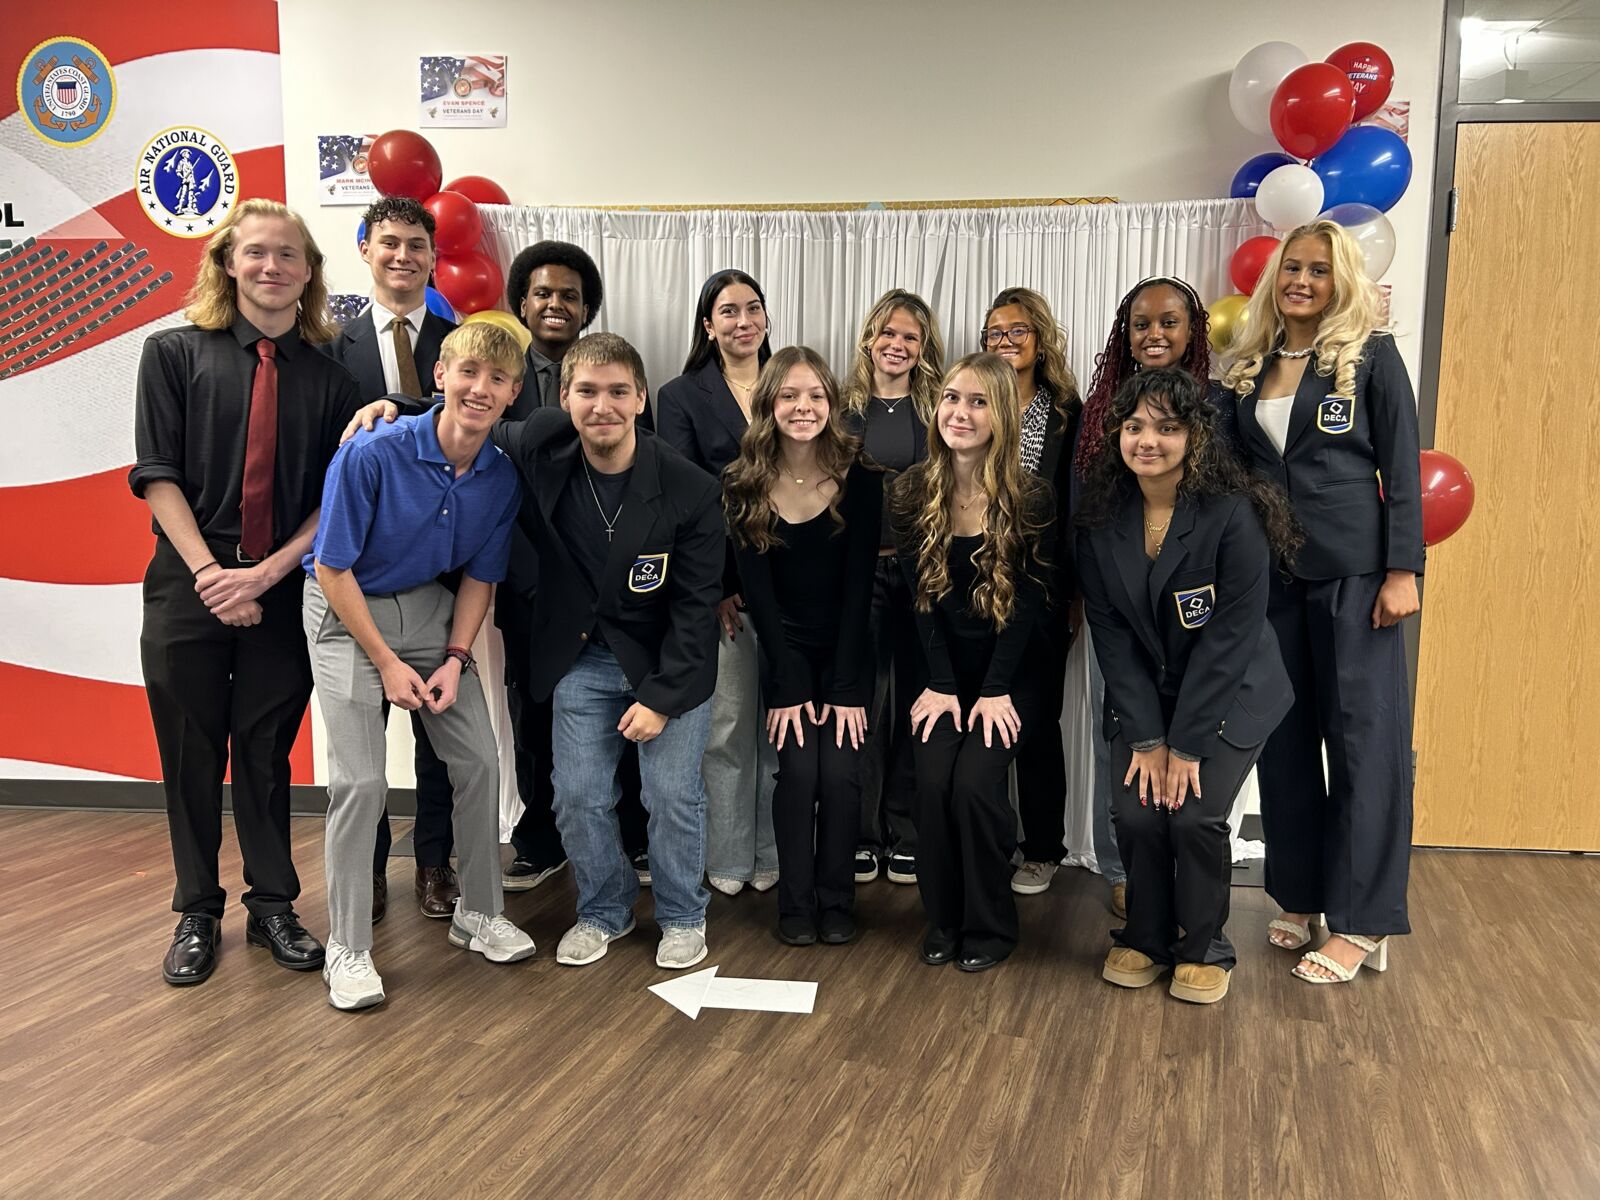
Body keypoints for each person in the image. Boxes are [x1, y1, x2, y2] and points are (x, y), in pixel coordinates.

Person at [131, 199, 360, 987]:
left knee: (265, 754)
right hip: (187, 584)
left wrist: (264, 574)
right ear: (227, 263)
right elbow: (156, 475)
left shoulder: (331, 379)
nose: (272, 266)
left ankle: (273, 907)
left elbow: (333, 499)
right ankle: (197, 911)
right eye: (256, 252)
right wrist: (211, 576)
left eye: (288, 254)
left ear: (309, 271)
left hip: (282, 589)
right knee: (190, 753)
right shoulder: (171, 355)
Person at [307, 321, 534, 1010]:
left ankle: (479, 912)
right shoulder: (371, 451)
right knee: (362, 781)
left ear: (513, 394)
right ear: (440, 376)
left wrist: (457, 658)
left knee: (481, 762)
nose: (481, 388)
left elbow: (480, 579)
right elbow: (332, 567)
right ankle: (347, 947)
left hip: (429, 610)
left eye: (498, 379)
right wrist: (385, 663)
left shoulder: (501, 477)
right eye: (469, 372)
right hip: (347, 610)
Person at [1223, 219, 1423, 985]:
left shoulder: (1371, 356)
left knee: (1364, 747)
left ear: (1341, 281)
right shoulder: (1253, 365)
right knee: (1284, 742)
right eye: (1292, 267)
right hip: (1275, 579)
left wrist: (1402, 570)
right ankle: (1301, 894)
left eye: (1318, 270)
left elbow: (1401, 468)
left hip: (1356, 578)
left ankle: (1364, 921)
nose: (1302, 281)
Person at [492, 332, 725, 970]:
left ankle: (683, 915)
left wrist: (661, 699)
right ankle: (604, 909)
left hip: (667, 659)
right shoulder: (542, 443)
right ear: (564, 398)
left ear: (641, 398)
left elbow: (695, 611)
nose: (603, 406)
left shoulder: (690, 488)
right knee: (577, 796)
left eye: (619, 391)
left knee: (670, 796)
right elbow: (470, 412)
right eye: (588, 392)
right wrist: (394, 407)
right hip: (583, 656)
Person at [1077, 367, 1297, 1003]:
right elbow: (1111, 638)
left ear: (1194, 436)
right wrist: (1148, 740)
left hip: (1231, 689)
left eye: (1167, 428)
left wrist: (1188, 746)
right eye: (1134, 426)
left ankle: (1204, 947)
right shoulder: (1099, 519)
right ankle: (1145, 937)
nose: (1148, 440)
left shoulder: (1233, 514)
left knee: (1195, 814)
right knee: (1136, 812)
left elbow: (1229, 642)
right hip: (1146, 693)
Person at [1075, 275, 1241, 921]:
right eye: (1140, 323)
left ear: (1192, 330)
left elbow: (1238, 505)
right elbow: (1082, 507)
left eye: (1169, 321)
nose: (1154, 334)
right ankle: (1125, 871)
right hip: (1119, 597)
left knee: (1192, 746)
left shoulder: (1220, 404)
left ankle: (1183, 886)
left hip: (1198, 606)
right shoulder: (1100, 407)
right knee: (1122, 731)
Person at [891, 352, 1053, 973]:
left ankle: (990, 925)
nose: (960, 412)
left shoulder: (1031, 497)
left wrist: (994, 688)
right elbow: (921, 601)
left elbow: (1027, 606)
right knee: (933, 783)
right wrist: (941, 682)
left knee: (975, 786)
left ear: (1002, 415)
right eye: (952, 398)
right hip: (940, 672)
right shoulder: (909, 491)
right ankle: (945, 919)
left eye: (979, 401)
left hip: (1012, 675)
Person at [498, 241, 649, 893]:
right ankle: (541, 840)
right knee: (534, 718)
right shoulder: (500, 375)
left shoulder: (616, 376)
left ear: (587, 308)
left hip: (606, 589)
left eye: (569, 295)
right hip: (526, 584)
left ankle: (631, 838)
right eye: (543, 293)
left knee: (625, 710)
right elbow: (458, 422)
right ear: (521, 302)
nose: (555, 304)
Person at [325, 195, 460, 922]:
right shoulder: (330, 347)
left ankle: (434, 863)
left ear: (434, 257)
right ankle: (370, 870)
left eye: (416, 244)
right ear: (365, 250)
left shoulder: (459, 343)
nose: (403, 255)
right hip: (359, 571)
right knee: (364, 741)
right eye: (389, 242)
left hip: (440, 569)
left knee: (439, 732)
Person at [726, 347, 883, 945]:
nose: (803, 407)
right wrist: (788, 684)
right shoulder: (740, 482)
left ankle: (836, 901)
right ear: (769, 403)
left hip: (848, 649)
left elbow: (860, 589)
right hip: (783, 651)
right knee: (796, 774)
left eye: (816, 395)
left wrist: (844, 686)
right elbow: (760, 598)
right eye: (789, 395)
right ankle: (795, 905)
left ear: (832, 404)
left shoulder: (861, 476)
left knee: (839, 774)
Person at [654, 269, 779, 897]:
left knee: (781, 726)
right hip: (723, 588)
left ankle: (771, 850)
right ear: (708, 325)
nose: (743, 321)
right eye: (728, 311)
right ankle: (729, 856)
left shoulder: (790, 381)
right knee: (728, 729)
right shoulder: (680, 396)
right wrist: (716, 585)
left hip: (790, 585)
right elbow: (686, 498)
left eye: (752, 308)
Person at [840, 288, 945, 888]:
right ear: (870, 338)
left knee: (915, 702)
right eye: (888, 333)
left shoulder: (937, 410)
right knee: (863, 704)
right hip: (859, 574)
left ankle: (905, 831)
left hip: (920, 573)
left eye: (910, 336)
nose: (897, 345)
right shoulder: (841, 409)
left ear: (923, 347)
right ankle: (861, 833)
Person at [980, 287, 1079, 899]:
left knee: (1037, 721)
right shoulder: (973, 399)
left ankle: (1043, 849)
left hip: (1041, 586)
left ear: (1040, 340)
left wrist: (1074, 592)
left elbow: (1074, 508)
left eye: (1018, 331)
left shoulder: (1065, 410)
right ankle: (988, 842)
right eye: (996, 332)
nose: (1006, 341)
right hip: (976, 585)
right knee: (982, 720)